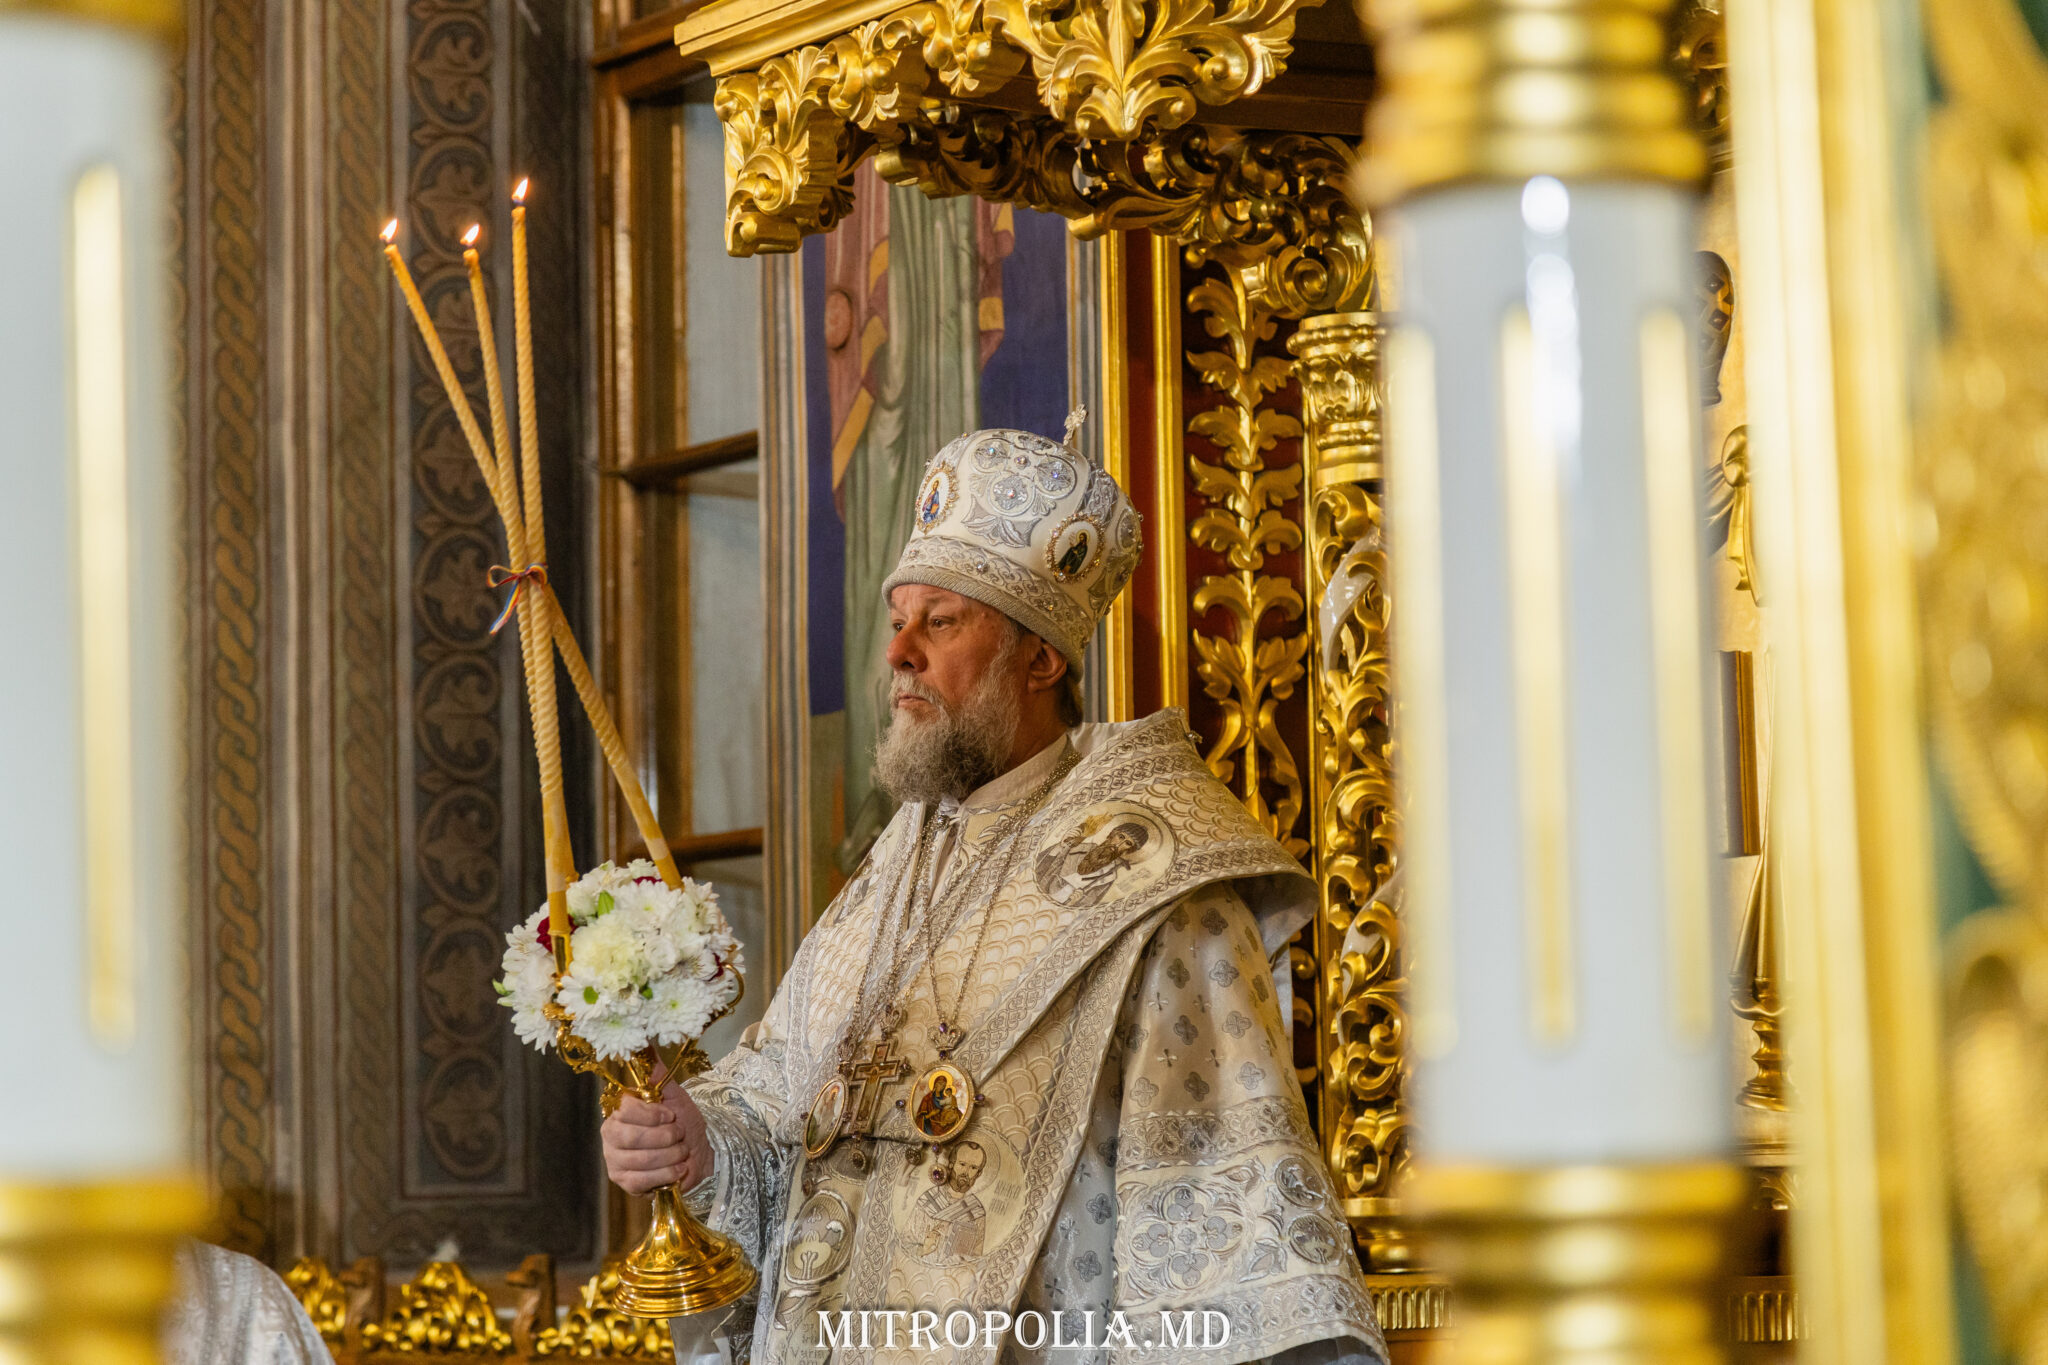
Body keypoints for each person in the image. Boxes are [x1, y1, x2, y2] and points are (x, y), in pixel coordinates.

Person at [602, 418, 1385, 1365]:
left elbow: (1214, 1234)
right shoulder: (897, 867)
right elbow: (779, 1116)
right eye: (899, 620)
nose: (899, 652)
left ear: (1040, 658)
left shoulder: (1161, 880)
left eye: (940, 622)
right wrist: (697, 1142)